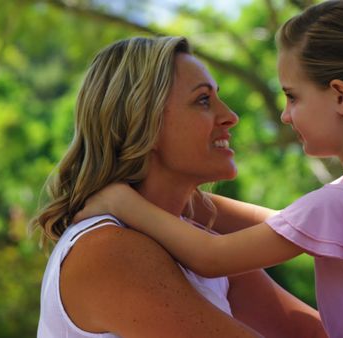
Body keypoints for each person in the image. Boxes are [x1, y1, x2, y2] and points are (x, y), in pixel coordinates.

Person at [77, 1, 343, 336]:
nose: (285, 116)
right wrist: (177, 199)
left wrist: (121, 202)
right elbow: (276, 224)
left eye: (292, 96)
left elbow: (211, 256)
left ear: (340, 96)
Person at [32, 36, 327, 337]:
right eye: (203, 100)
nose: (230, 117)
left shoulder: (191, 238)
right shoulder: (108, 249)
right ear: (144, 121)